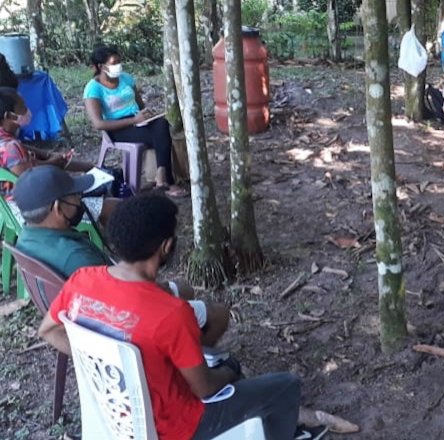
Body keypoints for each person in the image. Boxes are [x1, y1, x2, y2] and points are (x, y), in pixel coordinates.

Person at [36, 194, 326, 440]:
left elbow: (47, 331)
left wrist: (105, 363)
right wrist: (230, 370)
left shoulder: (81, 280)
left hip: (115, 411)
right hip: (177, 428)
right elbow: (206, 389)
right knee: (285, 384)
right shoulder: (171, 313)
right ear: (166, 246)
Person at [13, 165, 229, 347]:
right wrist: (159, 292)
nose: (80, 201)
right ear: (59, 208)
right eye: (76, 197)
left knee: (184, 288)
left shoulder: (26, 237)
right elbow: (123, 295)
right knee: (218, 314)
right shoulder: (76, 258)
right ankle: (185, 365)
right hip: (124, 320)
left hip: (86, 314)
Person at [0, 88, 117, 225]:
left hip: (7, 209)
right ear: (9, 116)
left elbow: (26, 162)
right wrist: (53, 164)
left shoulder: (7, 142)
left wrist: (47, 158)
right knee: (113, 206)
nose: (27, 110)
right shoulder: (11, 147)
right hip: (35, 212)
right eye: (23, 107)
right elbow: (29, 182)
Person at [84, 45, 185, 197]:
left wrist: (147, 114)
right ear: (100, 66)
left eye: (119, 61)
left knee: (162, 123)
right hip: (117, 128)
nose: (118, 66)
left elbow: (140, 105)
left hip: (138, 120)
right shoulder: (93, 88)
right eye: (113, 63)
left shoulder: (126, 78)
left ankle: (161, 175)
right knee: (160, 134)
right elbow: (98, 124)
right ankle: (165, 181)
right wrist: (133, 121)